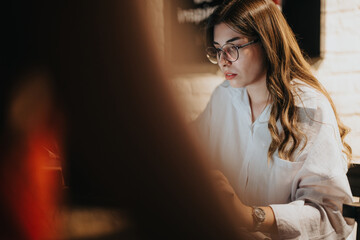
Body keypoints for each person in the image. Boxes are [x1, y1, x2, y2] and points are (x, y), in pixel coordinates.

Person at [196, 0, 355, 239]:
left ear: (268, 43)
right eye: (218, 50)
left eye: (233, 47)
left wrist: (251, 216)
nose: (223, 60)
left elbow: (332, 216)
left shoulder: (310, 109)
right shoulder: (223, 96)